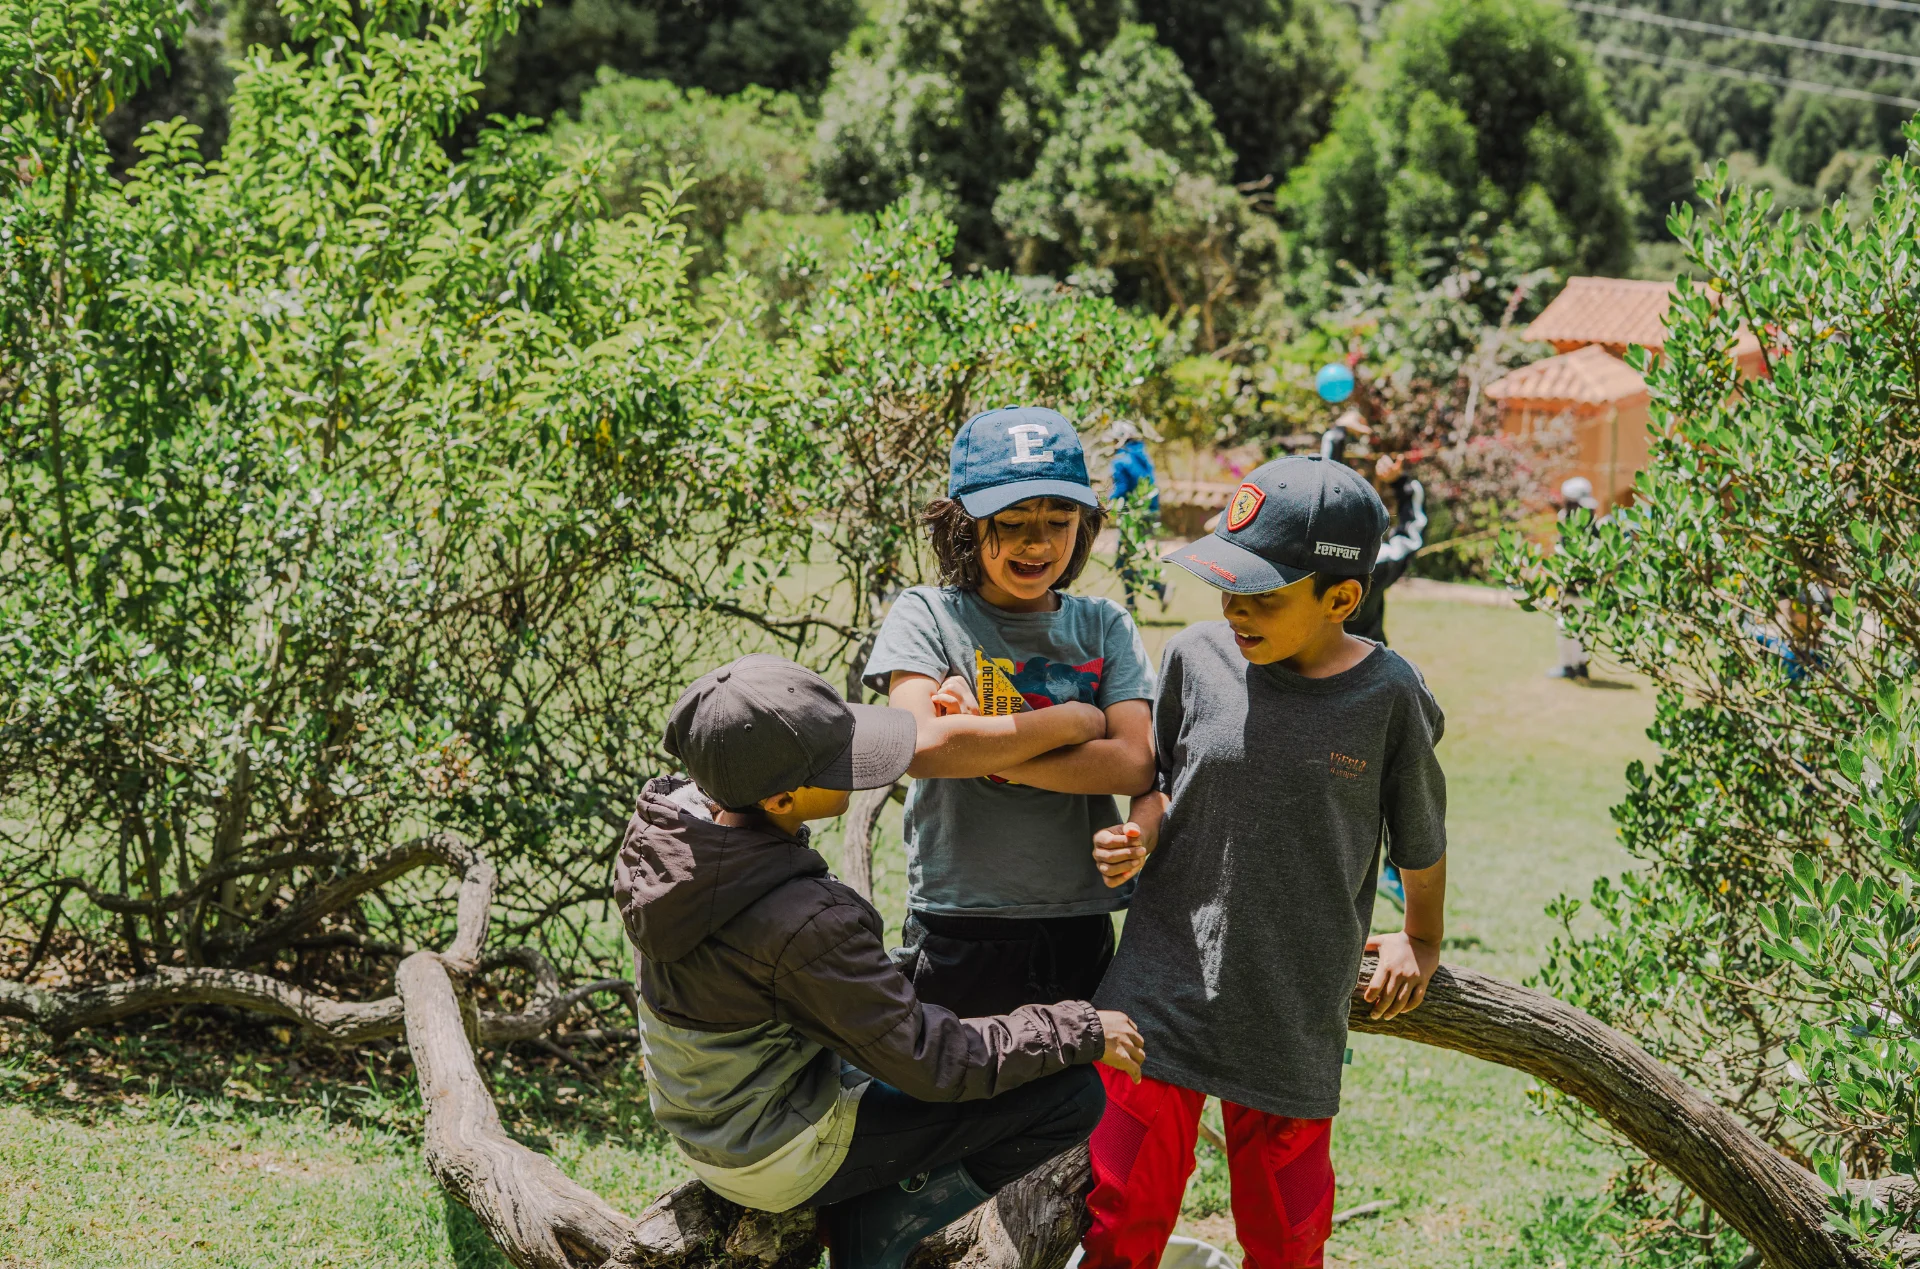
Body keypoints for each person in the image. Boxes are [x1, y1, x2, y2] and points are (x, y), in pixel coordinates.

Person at [614, 654, 1147, 1269]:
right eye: (839, 763)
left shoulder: (677, 833)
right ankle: (876, 1223)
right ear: (783, 799)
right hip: (774, 1151)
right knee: (1070, 1093)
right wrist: (1078, 1027)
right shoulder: (801, 920)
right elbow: (934, 1063)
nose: (857, 768)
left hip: (711, 1117)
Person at [1080, 455, 1450, 1269]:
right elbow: (1166, 780)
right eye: (1227, 587)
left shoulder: (1388, 698)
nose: (1236, 610)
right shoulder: (1195, 656)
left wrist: (1420, 938)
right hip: (1159, 991)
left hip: (1289, 1011)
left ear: (1342, 598)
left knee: (1285, 1240)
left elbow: (1420, 836)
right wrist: (1140, 831)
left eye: (1265, 595)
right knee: (1117, 1219)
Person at [862, 405, 1157, 1019]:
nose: (1038, 542)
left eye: (1059, 519)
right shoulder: (927, 616)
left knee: (1072, 1106)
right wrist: (1074, 723)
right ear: (963, 524)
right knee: (962, 1097)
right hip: (958, 920)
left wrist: (982, 746)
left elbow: (1131, 764)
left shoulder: (1105, 626)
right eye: (1012, 521)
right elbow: (919, 750)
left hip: (1079, 919)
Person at [1343, 452, 1428, 646]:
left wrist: (1336, 434)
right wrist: (1401, 483)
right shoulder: (1376, 562)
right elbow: (1411, 534)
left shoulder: (1299, 558)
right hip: (1367, 666)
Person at [1108, 422, 1168, 613]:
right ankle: (1133, 604)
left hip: (1131, 516)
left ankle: (1156, 590)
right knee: (1128, 560)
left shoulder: (1120, 460)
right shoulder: (1143, 456)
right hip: (1149, 512)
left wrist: (1106, 504)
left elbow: (1121, 489)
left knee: (1122, 562)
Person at [1548, 476, 1601, 680]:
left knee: (1565, 626)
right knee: (1583, 627)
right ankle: (1581, 666)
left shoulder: (1571, 524)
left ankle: (1569, 666)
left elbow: (1564, 555)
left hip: (1572, 588)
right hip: (1588, 588)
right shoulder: (1592, 523)